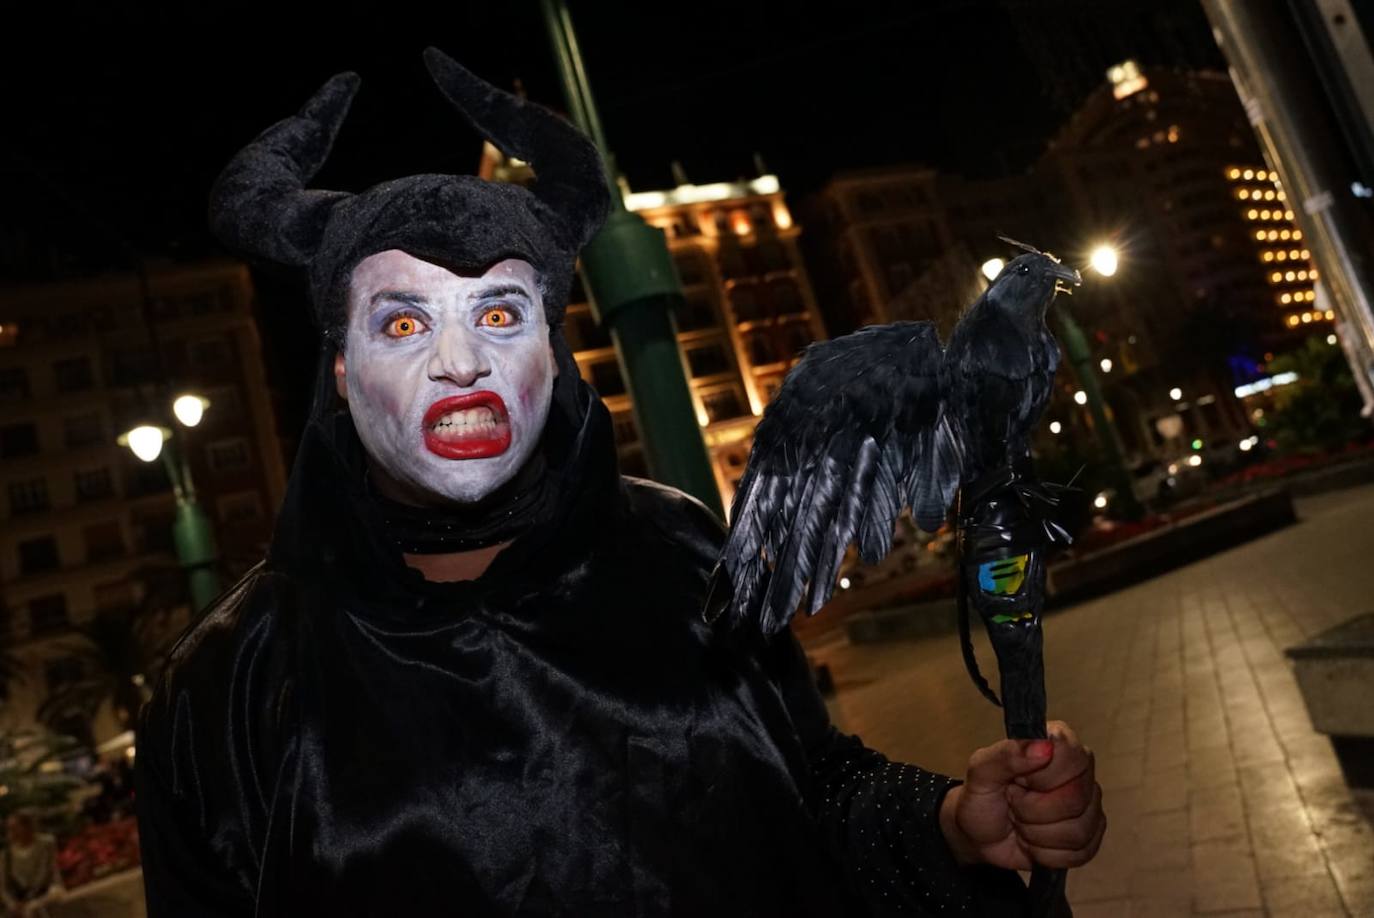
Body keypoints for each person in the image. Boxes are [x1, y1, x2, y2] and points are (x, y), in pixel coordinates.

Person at [135, 48, 1104, 916]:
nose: (461, 360)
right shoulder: (225, 685)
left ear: (552, 355)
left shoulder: (685, 552)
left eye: (502, 315)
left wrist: (947, 824)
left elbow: (812, 790)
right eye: (402, 324)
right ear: (342, 374)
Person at [1, 811, 62, 918]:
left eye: (15, 827)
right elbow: (3, 887)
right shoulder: (6, 855)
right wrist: (13, 904)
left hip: (47, 891)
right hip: (22, 898)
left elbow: (47, 871)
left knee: (34, 908)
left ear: (27, 826)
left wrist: (30, 898)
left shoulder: (46, 843)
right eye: (9, 828)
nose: (12, 832)